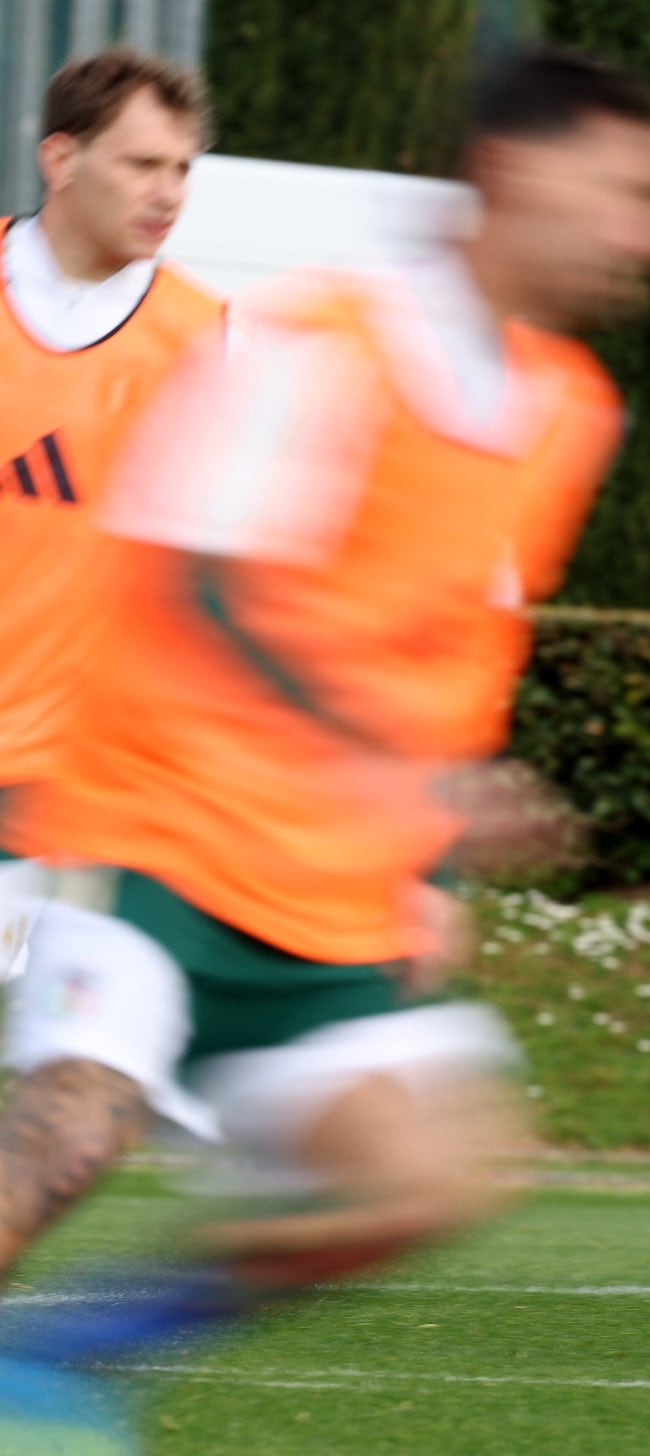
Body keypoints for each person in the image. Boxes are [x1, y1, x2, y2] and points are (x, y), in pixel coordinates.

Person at [0, 44, 650, 1439]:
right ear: (512, 174)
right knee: (68, 1131)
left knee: (428, 1181)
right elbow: (195, 588)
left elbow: (457, 655)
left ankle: (53, 1359)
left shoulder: (568, 409)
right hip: (151, 845)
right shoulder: (323, 349)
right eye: (626, 194)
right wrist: (400, 772)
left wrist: (424, 856)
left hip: (327, 900)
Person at [0, 47, 226, 1273]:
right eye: (144, 162)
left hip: (79, 809)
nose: (169, 189)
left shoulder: (201, 341)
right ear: (61, 157)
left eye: (185, 168)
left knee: (78, 1118)